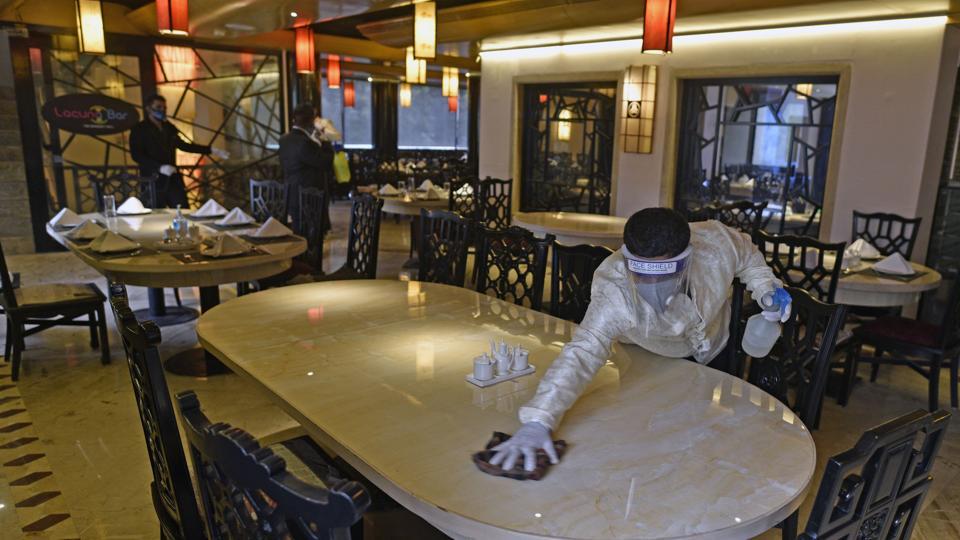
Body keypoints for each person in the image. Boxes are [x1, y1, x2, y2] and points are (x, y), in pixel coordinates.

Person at [490, 208, 791, 472]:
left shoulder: (718, 242)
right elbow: (584, 350)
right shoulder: (614, 289)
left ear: (687, 255)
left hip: (715, 343)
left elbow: (750, 259)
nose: (652, 284)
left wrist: (766, 287)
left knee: (706, 434)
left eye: (663, 273)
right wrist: (539, 419)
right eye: (642, 273)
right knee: (655, 436)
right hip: (650, 358)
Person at [129, 94, 225, 208]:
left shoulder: (168, 127)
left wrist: (210, 150)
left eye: (164, 107)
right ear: (148, 108)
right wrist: (159, 167)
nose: (162, 110)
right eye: (158, 107)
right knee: (157, 213)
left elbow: (184, 146)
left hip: (173, 178)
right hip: (152, 180)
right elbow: (137, 155)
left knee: (182, 210)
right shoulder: (139, 129)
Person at [278, 103, 336, 234]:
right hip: (309, 197)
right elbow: (326, 162)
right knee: (311, 236)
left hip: (292, 192)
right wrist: (325, 140)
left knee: (299, 232)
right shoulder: (304, 142)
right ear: (311, 121)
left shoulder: (284, 139)